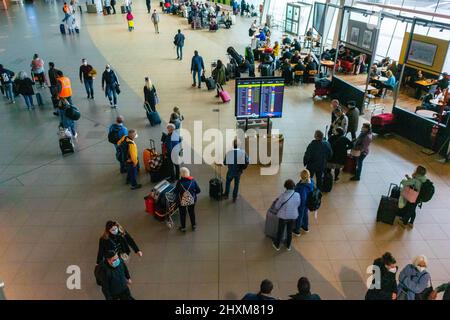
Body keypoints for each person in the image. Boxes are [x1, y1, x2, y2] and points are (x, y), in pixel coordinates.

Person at [272, 179, 301, 251]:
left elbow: (277, 206)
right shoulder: (297, 194)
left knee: (280, 231)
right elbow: (298, 204)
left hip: (283, 216)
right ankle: (288, 246)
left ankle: (277, 245)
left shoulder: (283, 196)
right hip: (293, 216)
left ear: (286, 187)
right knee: (289, 231)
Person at [176, 167, 201, 232]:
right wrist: (192, 193)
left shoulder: (179, 182)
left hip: (182, 201)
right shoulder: (193, 181)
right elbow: (198, 190)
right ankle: (193, 225)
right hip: (192, 200)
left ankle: (183, 227)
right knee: (191, 212)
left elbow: (176, 191)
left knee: (182, 214)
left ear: (181, 174)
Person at [293, 169, 314, 235]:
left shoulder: (303, 187)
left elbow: (302, 198)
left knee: (300, 216)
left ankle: (297, 231)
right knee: (305, 214)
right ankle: (305, 227)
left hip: (302, 204)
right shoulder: (311, 181)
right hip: (307, 202)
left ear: (302, 176)